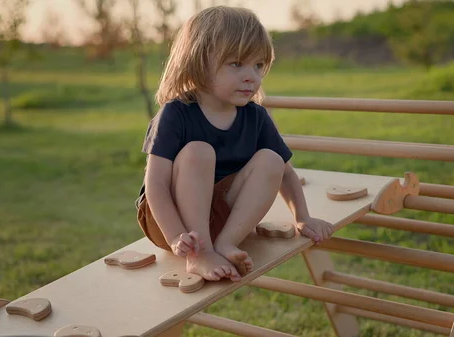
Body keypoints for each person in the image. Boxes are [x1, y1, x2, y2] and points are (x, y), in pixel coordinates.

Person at [136, 5, 334, 282]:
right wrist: (175, 237)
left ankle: (226, 243)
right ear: (199, 61)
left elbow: (285, 174)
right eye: (236, 64)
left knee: (272, 160)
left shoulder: (255, 116)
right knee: (198, 151)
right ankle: (200, 255)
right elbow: (155, 185)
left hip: (223, 216)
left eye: (258, 65)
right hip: (171, 222)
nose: (251, 76)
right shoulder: (176, 113)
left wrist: (303, 217)